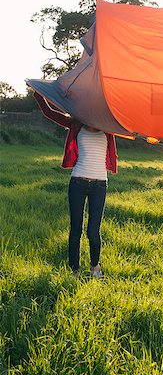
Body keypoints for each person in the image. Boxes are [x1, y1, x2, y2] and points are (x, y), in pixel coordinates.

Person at [34, 93, 117, 278]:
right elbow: (49, 112)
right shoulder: (75, 125)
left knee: (93, 231)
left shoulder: (109, 128)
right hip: (78, 182)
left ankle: (95, 267)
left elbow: (130, 125)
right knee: (76, 229)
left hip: (99, 185)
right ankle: (74, 270)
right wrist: (38, 93)